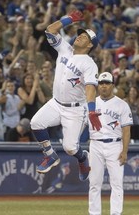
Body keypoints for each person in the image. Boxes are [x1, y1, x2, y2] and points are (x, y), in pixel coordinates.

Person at [30, 10, 101, 181]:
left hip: (76, 110)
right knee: (36, 123)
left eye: (84, 37)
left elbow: (91, 88)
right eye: (79, 35)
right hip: (56, 103)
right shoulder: (65, 49)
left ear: (90, 45)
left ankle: (83, 158)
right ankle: (50, 155)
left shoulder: (89, 64)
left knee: (70, 148)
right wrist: (67, 19)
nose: (79, 37)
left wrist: (92, 110)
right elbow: (49, 30)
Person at [88, 72, 133, 215]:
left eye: (107, 83)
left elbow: (126, 131)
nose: (104, 86)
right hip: (95, 144)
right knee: (94, 183)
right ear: (98, 86)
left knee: (117, 183)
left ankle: (115, 213)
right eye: (101, 83)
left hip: (115, 145)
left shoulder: (122, 105)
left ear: (112, 85)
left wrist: (124, 151)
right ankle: (94, 213)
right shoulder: (91, 104)